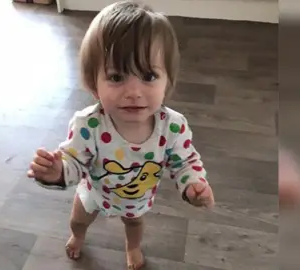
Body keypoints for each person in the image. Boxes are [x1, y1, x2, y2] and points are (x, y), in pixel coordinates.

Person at [27, 2, 214, 269]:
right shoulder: (88, 125)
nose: (134, 91)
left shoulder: (172, 126)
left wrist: (193, 184)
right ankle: (77, 237)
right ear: (94, 85)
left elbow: (184, 161)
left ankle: (133, 246)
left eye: (149, 75)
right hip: (94, 193)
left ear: (168, 81)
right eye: (116, 77)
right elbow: (74, 162)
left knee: (135, 225)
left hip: (137, 198)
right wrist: (57, 171)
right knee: (79, 219)